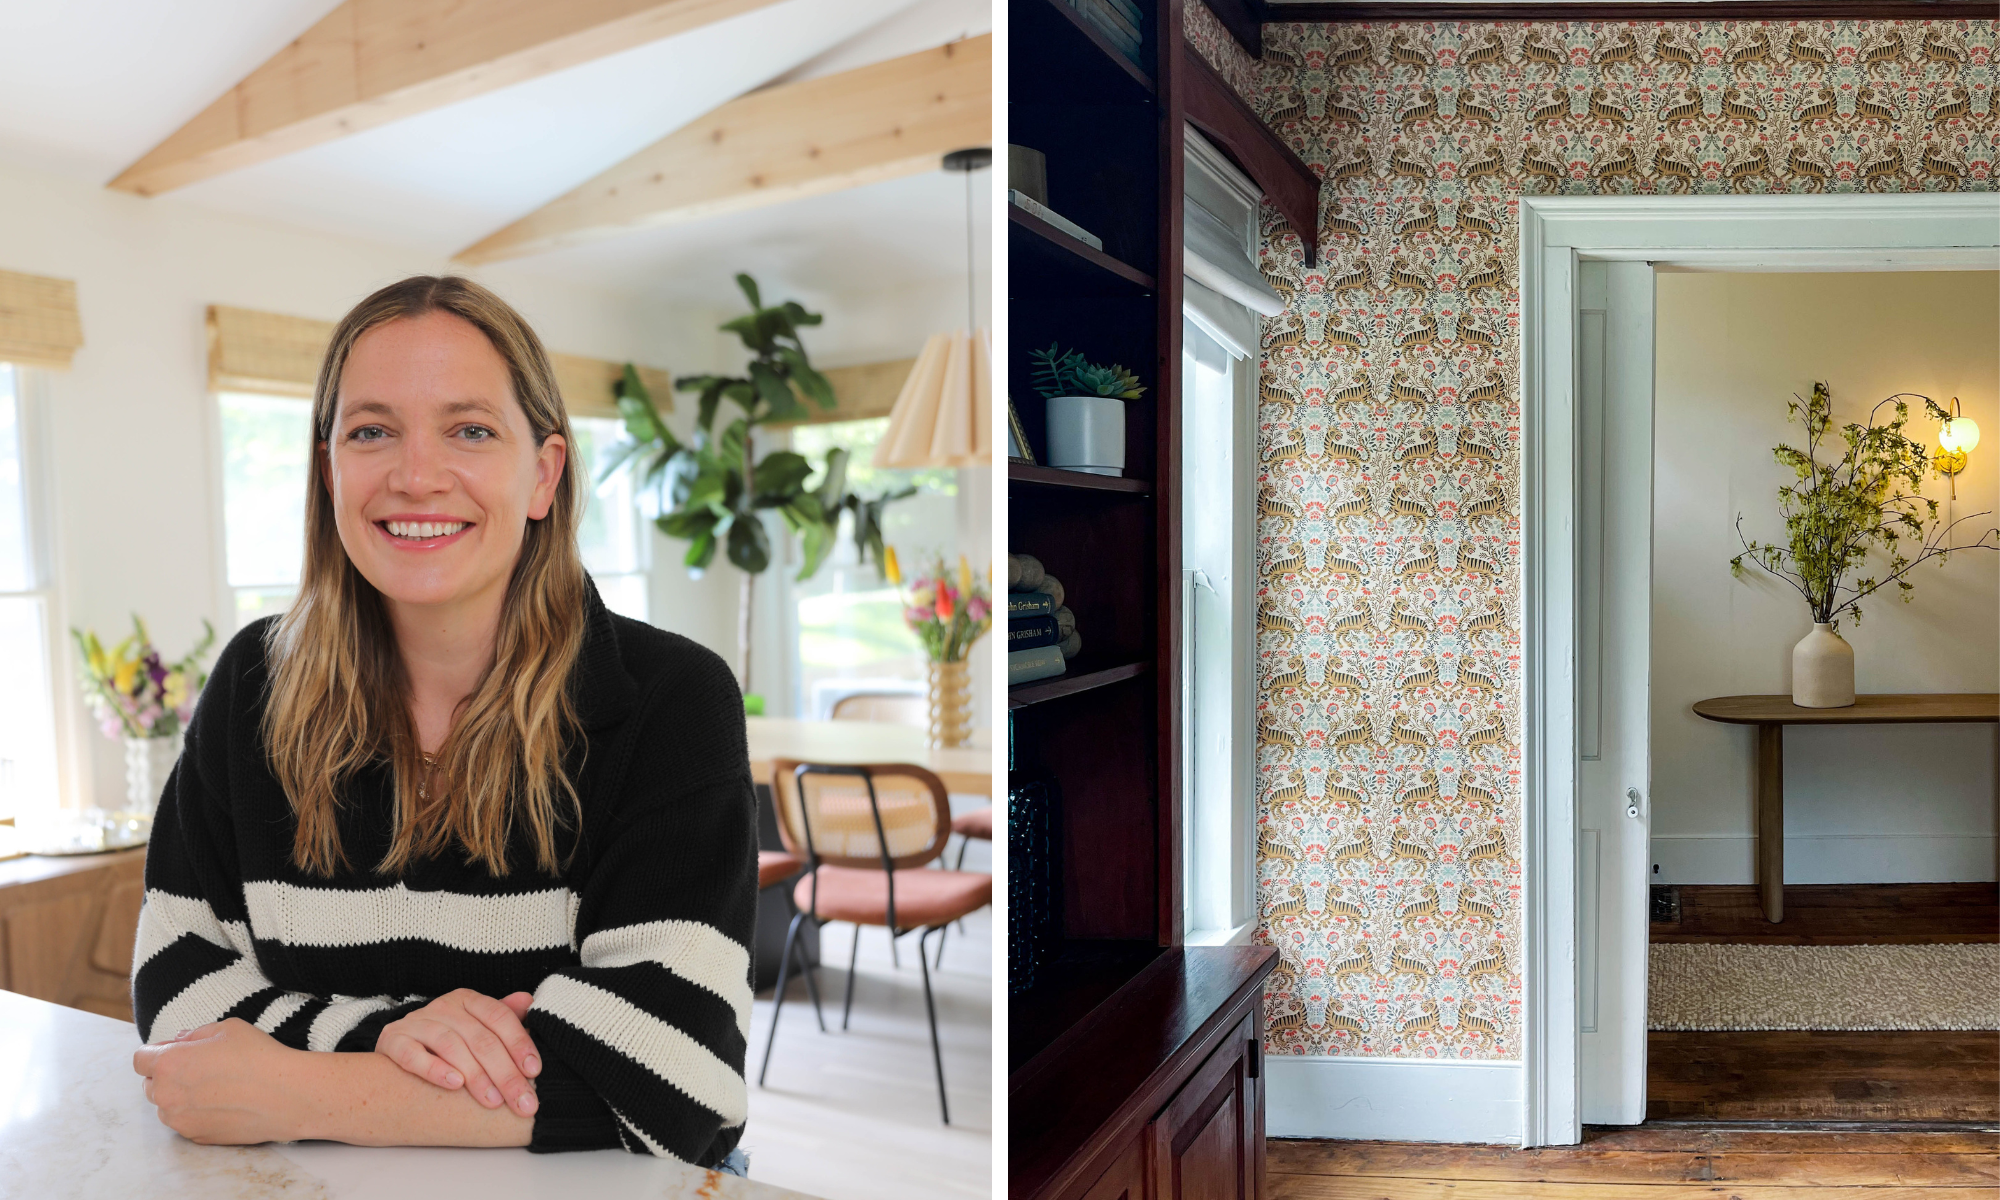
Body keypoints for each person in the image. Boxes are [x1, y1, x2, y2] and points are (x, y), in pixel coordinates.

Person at [129, 276, 757, 1173]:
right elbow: (180, 997)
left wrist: (288, 1085)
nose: (416, 476)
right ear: (329, 468)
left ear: (543, 473)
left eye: (470, 430)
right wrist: (407, 1038)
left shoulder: (671, 700)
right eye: (372, 431)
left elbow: (677, 1077)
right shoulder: (251, 687)